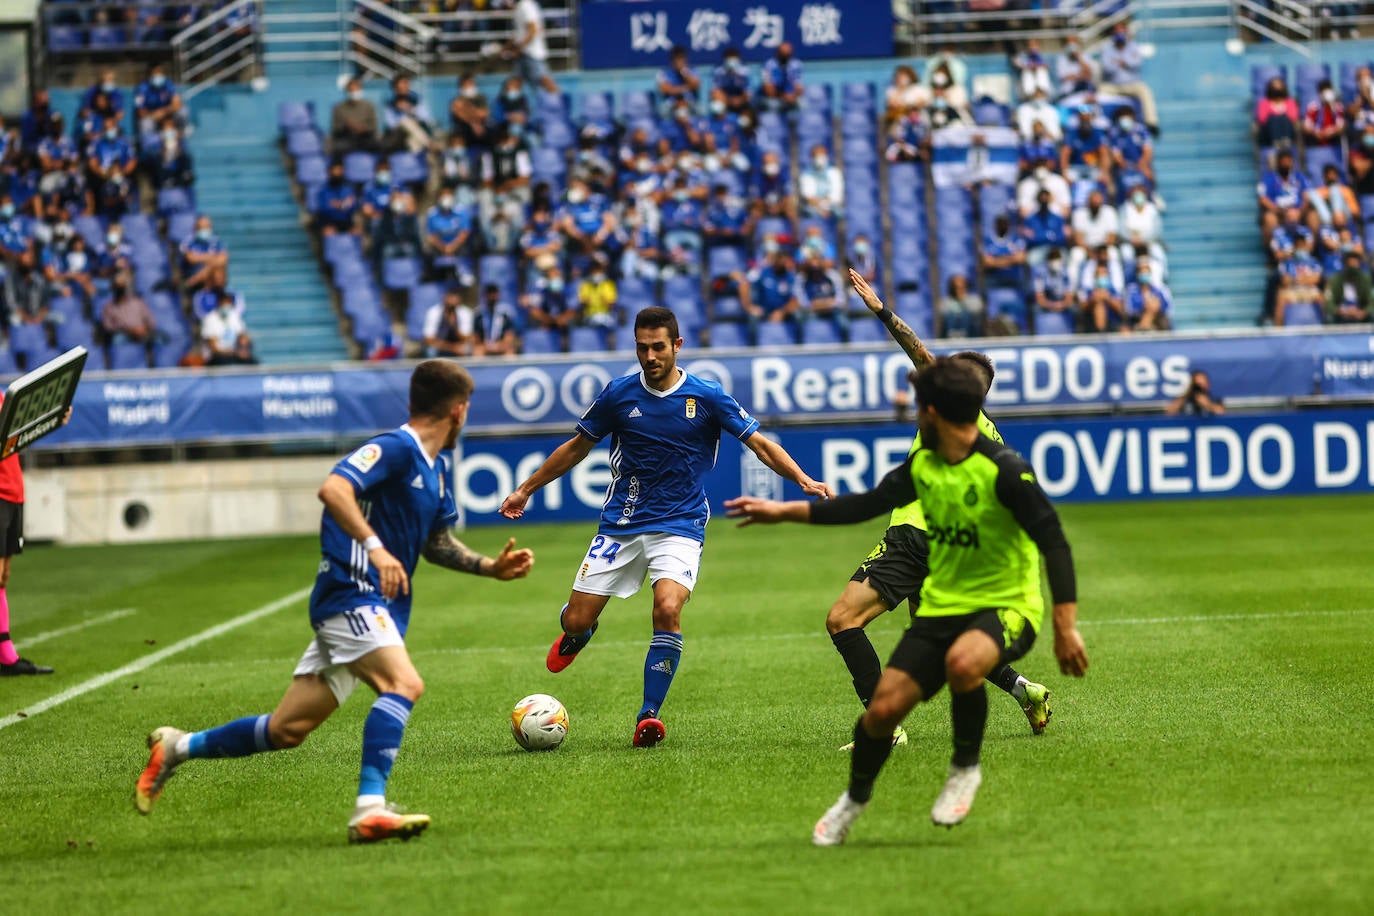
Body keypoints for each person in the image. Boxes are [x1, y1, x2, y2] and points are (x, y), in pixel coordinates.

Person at [135, 361, 535, 843]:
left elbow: (436, 542)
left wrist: (489, 567)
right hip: (350, 593)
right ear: (459, 410)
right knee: (404, 683)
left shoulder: (436, 468)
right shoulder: (394, 448)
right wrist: (375, 547)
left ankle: (177, 747)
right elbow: (334, 489)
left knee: (286, 730)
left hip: (376, 606)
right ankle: (369, 808)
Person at [724, 356, 1088, 843]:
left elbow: (1055, 543)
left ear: (937, 413)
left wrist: (1065, 628)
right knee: (881, 713)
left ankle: (964, 770)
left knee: (962, 662)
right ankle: (851, 803)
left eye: (920, 407)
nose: (913, 414)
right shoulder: (926, 464)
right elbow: (866, 504)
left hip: (1007, 605)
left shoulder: (1004, 471)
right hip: (943, 602)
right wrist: (785, 511)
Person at [498, 307, 832, 747]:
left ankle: (648, 716)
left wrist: (803, 479)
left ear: (677, 346)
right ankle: (580, 633)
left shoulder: (707, 396)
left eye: (659, 347)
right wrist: (526, 489)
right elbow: (577, 447)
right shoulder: (618, 395)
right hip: (621, 523)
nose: (650, 356)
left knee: (668, 609)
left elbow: (761, 445)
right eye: (642, 347)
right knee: (576, 620)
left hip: (681, 522)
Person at [797, 270, 1052, 748]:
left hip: (915, 538)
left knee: (842, 620)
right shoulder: (992, 435)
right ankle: (1025, 690)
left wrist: (880, 309)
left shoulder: (958, 411)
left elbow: (917, 352)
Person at [0, 403, 72, 676]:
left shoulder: (2, 396)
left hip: (12, 491)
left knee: (3, 577)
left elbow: (18, 434)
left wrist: (53, 419)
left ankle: (6, 658)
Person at [1098, 22, 1158, 134]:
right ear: (1112, 34)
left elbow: (1136, 63)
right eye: (1117, 31)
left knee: (1145, 91)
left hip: (1132, 85)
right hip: (1114, 86)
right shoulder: (1106, 49)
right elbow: (1107, 68)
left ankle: (1151, 123)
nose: (1119, 34)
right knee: (1100, 92)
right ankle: (1101, 124)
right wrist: (1125, 62)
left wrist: (1119, 61)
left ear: (1126, 33)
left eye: (1122, 31)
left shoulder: (1134, 46)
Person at [506, 0, 559, 95]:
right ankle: (514, 106)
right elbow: (519, 33)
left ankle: (561, 103)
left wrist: (518, 48)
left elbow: (533, 30)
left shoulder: (526, 6)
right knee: (516, 80)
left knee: (544, 79)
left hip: (532, 52)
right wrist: (506, 47)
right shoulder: (520, 7)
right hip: (523, 52)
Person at [201, 289, 257, 365]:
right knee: (224, 360)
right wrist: (232, 352)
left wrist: (244, 349)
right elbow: (214, 348)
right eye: (224, 303)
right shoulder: (210, 319)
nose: (226, 306)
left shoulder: (234, 316)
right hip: (216, 356)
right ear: (218, 303)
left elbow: (243, 336)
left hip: (233, 354)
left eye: (228, 303)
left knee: (252, 362)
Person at [331, 78, 379, 156]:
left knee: (380, 145)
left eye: (356, 89)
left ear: (361, 89)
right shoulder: (339, 108)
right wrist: (347, 126)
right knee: (337, 148)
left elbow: (373, 125)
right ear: (347, 91)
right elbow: (336, 128)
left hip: (365, 138)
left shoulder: (369, 106)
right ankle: (337, 167)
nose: (354, 92)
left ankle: (382, 167)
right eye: (351, 90)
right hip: (347, 139)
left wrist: (363, 128)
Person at [759, 42, 803, 114]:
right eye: (783, 55)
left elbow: (799, 87)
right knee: (772, 104)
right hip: (774, 98)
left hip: (791, 97)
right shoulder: (767, 66)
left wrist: (793, 97)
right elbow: (768, 89)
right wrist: (783, 96)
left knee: (803, 104)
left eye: (788, 55)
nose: (786, 57)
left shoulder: (796, 65)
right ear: (778, 53)